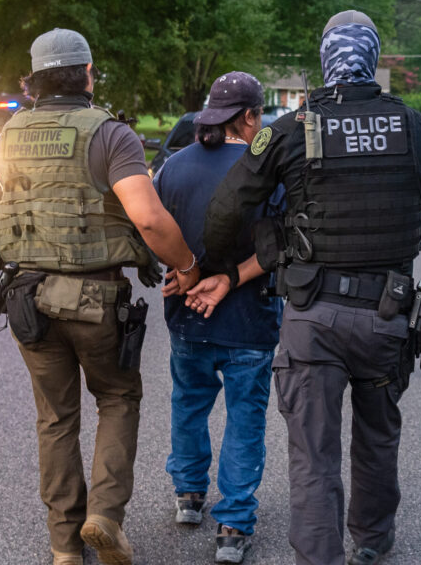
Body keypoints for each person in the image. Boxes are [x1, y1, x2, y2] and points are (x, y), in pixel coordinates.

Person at [201, 11, 421, 565]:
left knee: (313, 454)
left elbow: (225, 211)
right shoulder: (412, 125)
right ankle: (372, 541)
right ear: (372, 58)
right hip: (388, 313)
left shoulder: (288, 131)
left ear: (325, 60)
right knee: (377, 437)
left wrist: (215, 265)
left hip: (314, 314)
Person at [0, 28, 200, 565]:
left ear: (34, 80)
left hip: (26, 298)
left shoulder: (8, 135)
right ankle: (103, 517)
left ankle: (63, 548)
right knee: (116, 398)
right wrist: (188, 267)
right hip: (95, 299)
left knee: (55, 419)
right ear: (88, 74)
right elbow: (149, 219)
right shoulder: (110, 134)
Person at [151, 71, 283, 564]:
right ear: (249, 117)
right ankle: (233, 525)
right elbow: (280, 247)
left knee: (189, 403)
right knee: (245, 420)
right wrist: (229, 277)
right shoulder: (267, 170)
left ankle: (188, 495)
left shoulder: (174, 167)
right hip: (250, 317)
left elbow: (148, 227)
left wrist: (180, 270)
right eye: (260, 117)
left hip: (187, 315)